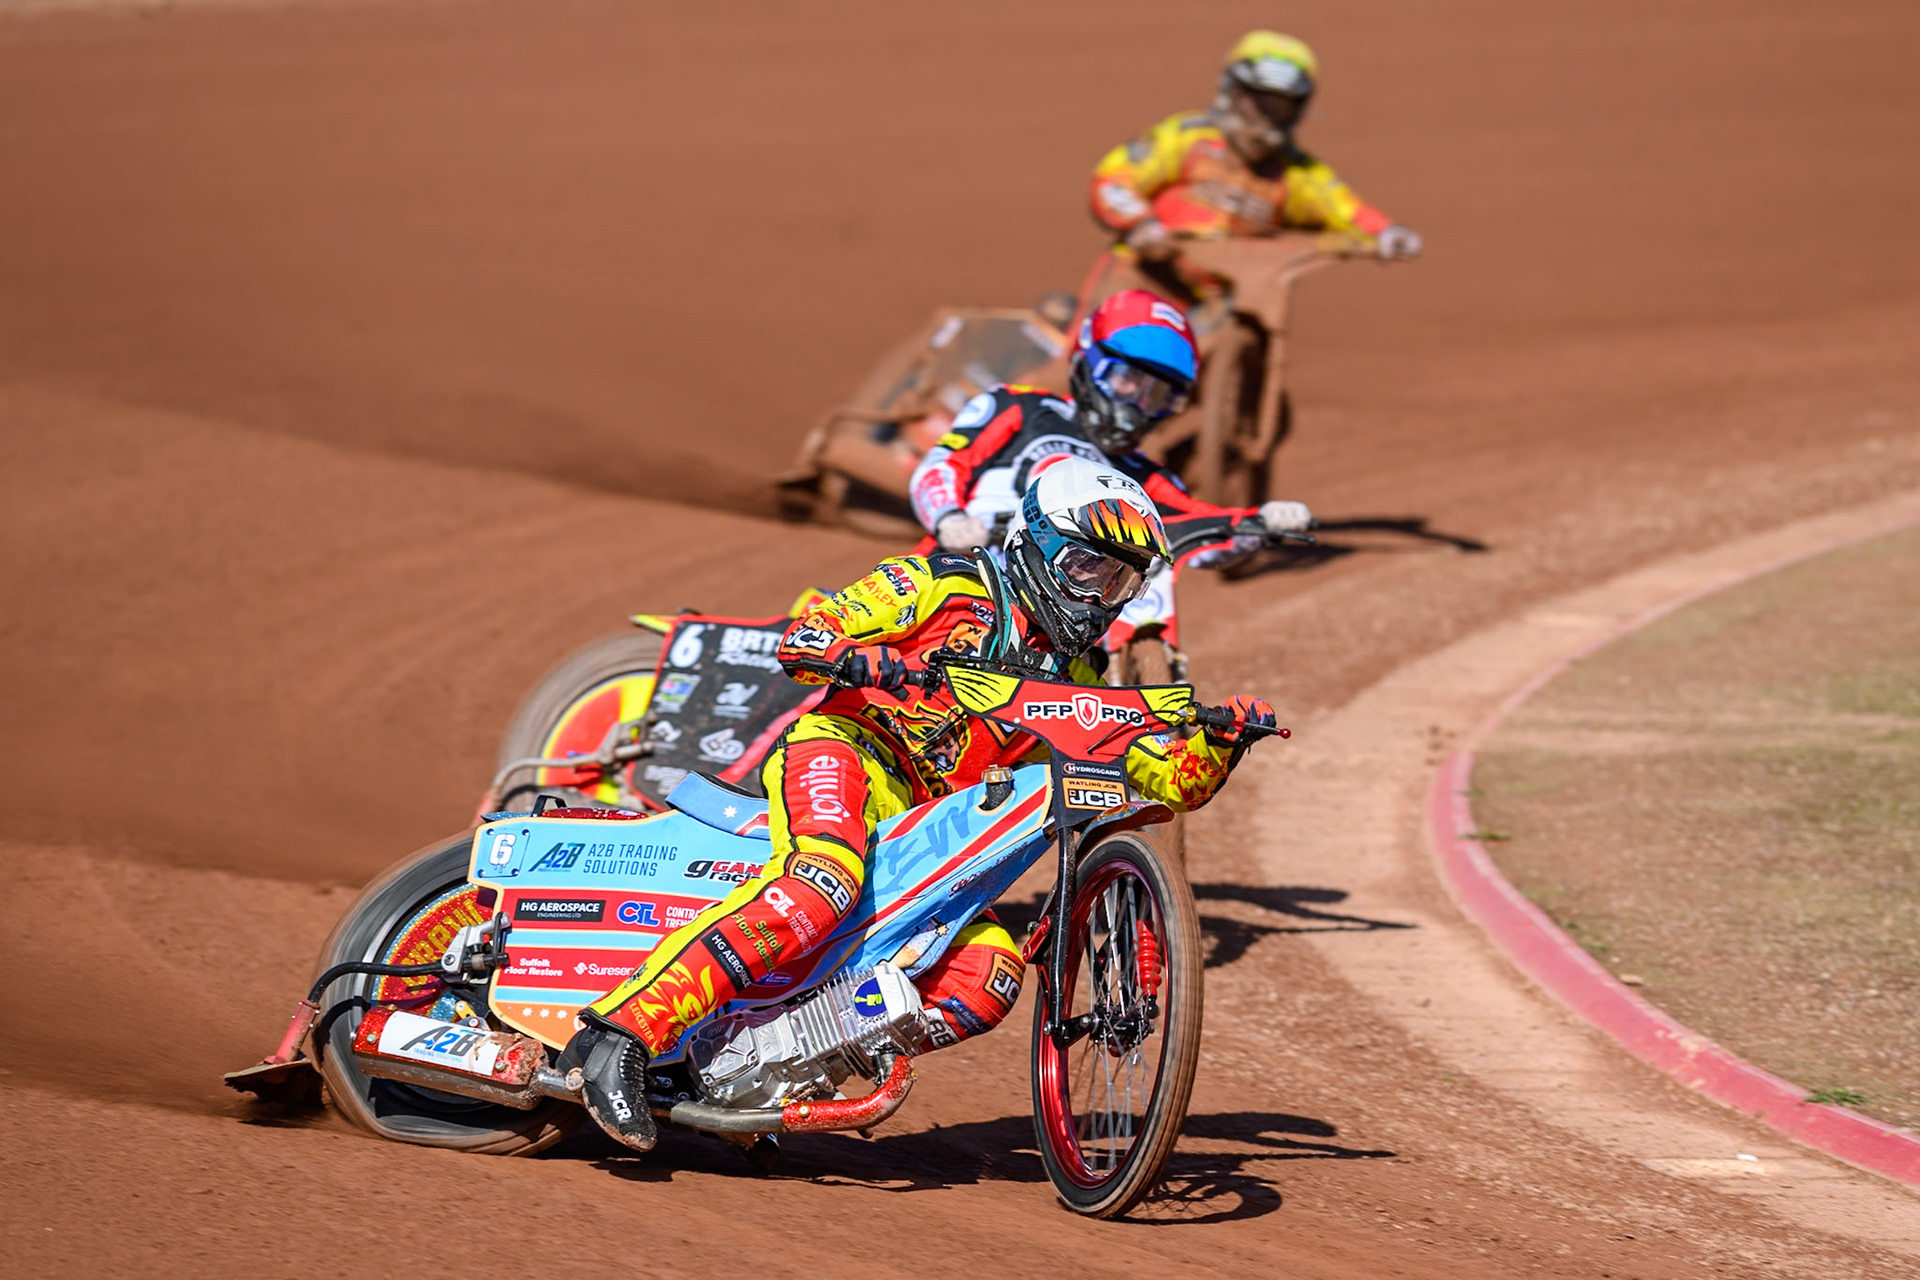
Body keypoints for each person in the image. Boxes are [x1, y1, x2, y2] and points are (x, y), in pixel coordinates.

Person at [559, 460, 1278, 1151]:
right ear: (1037, 545)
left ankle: (760, 1061)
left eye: (1119, 580)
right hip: (846, 751)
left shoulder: (1080, 681)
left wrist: (1221, 744)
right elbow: (806, 636)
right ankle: (616, 1038)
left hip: (927, 830)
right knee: (824, 886)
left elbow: (1168, 782)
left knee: (989, 972)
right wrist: (853, 656)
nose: (1098, 597)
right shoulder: (944, 582)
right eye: (1086, 568)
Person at [908, 289, 1312, 634]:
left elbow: (1201, 529)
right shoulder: (1018, 407)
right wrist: (949, 518)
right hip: (954, 579)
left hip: (1053, 622)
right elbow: (943, 465)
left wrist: (1259, 524)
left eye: (1156, 395)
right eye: (1128, 380)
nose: (1137, 405)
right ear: (1092, 361)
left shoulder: (1144, 478)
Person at [1090, 31, 1421, 271]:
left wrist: (1388, 233)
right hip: (1144, 276)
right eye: (1257, 102)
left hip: (1230, 303)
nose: (1264, 119)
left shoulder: (1296, 173)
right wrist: (1142, 225)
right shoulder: (1186, 138)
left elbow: (1347, 211)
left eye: (1280, 108)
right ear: (1231, 93)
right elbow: (1112, 181)